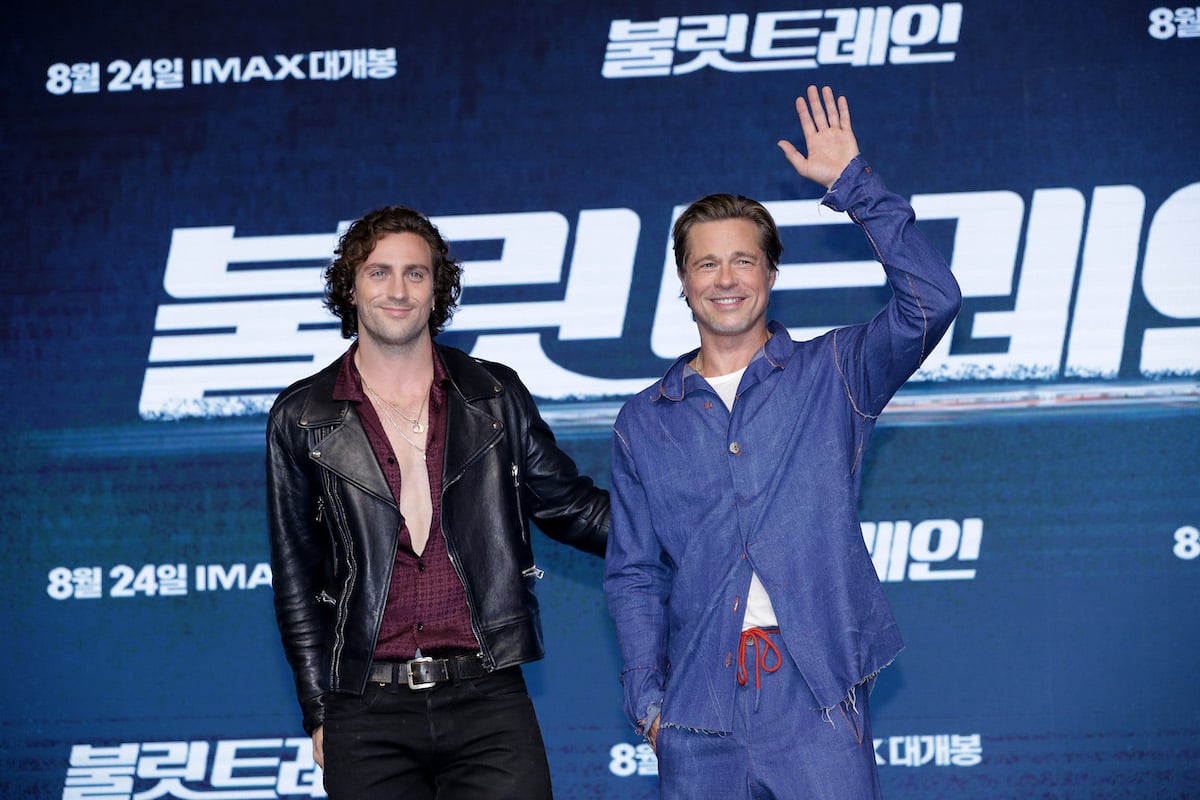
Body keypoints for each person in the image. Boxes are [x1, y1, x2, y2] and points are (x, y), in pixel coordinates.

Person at [603, 85, 962, 799]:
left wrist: (855, 185)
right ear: (683, 281)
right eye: (706, 264)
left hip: (815, 697)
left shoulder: (835, 372)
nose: (725, 279)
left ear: (771, 272)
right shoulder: (643, 420)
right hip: (697, 711)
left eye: (743, 261)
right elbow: (635, 573)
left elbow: (934, 300)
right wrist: (648, 700)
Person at [267, 205, 609, 799]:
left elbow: (569, 506)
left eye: (415, 274)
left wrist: (690, 530)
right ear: (351, 286)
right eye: (379, 273)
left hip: (488, 697)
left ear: (437, 290)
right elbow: (295, 579)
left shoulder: (493, 394)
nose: (397, 290)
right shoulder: (302, 417)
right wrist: (319, 711)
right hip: (365, 708)